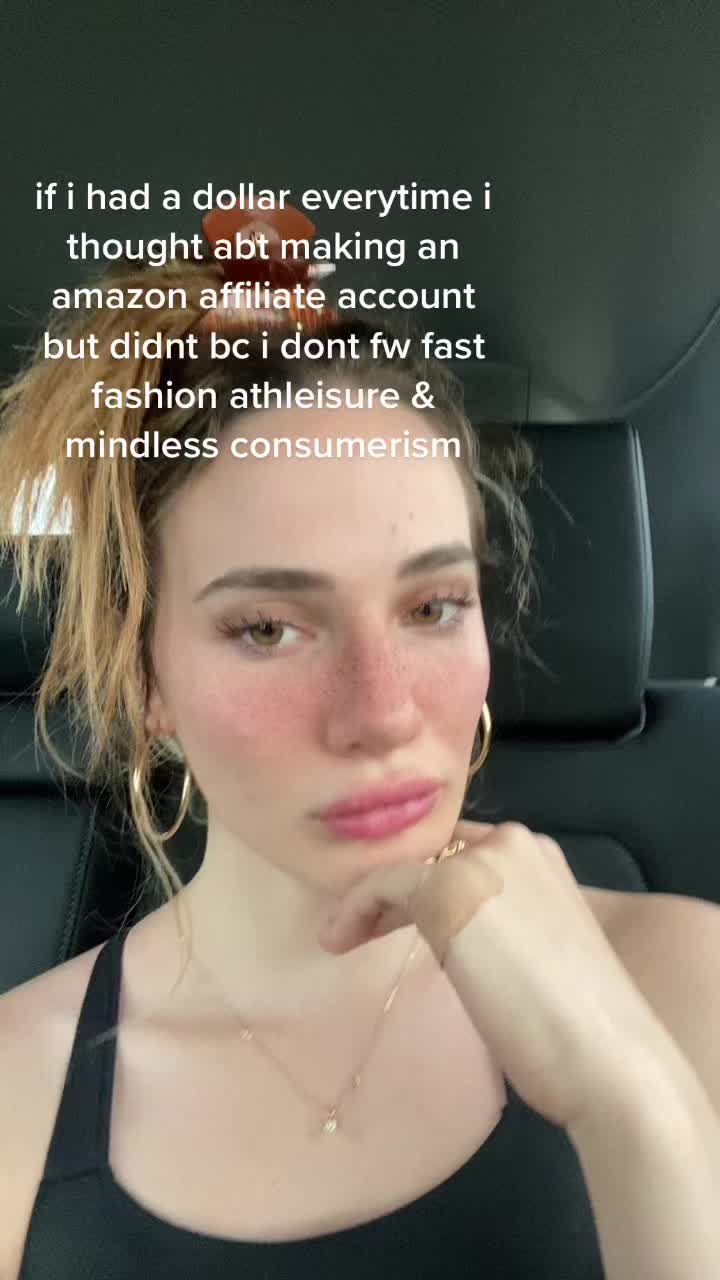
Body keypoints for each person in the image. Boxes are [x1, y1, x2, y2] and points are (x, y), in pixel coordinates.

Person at [0, 201, 717, 1280]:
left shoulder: (693, 977)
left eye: (431, 607)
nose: (381, 712)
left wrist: (637, 1109)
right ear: (146, 681)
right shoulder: (15, 1094)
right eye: (267, 628)